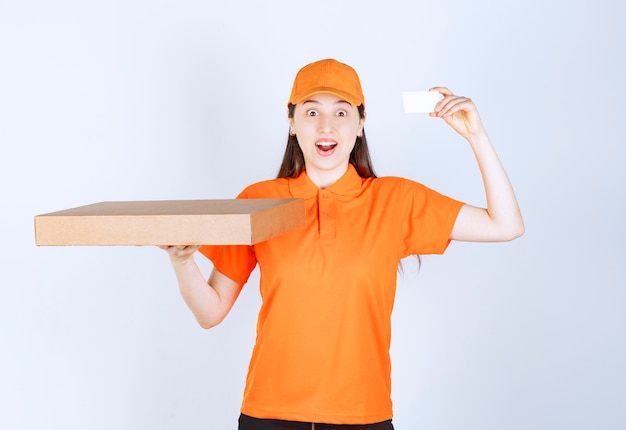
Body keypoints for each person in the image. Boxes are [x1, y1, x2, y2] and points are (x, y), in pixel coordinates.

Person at [160, 58, 524, 429]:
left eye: (341, 112)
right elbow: (211, 312)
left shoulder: (396, 200)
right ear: (292, 122)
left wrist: (476, 136)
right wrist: (181, 261)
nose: (326, 126)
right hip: (268, 414)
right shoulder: (258, 201)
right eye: (311, 111)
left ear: (361, 123)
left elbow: (506, 224)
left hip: (363, 416)